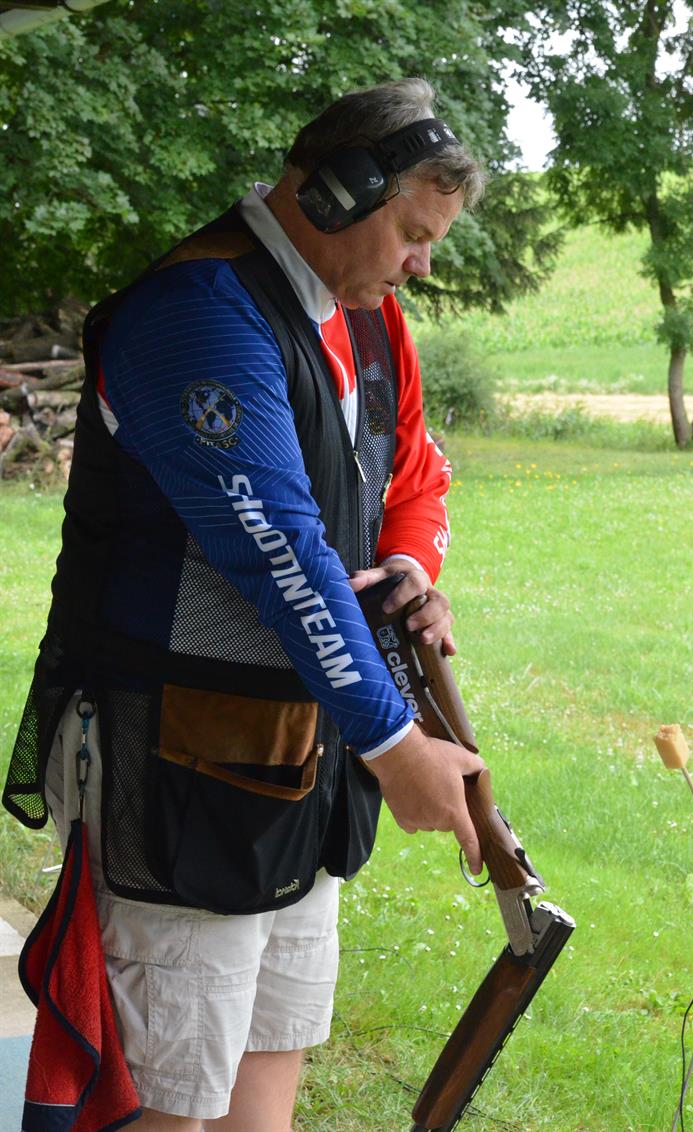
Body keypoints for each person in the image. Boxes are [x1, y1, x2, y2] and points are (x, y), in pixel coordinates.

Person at [3, 78, 486, 1131]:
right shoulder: (196, 316)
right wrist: (397, 745)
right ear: (335, 193)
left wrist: (405, 569)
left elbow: (390, 489)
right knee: (167, 1101)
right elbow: (281, 559)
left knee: (265, 1076)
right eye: (411, 233)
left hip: (287, 780)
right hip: (174, 777)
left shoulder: (358, 320)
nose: (421, 264)